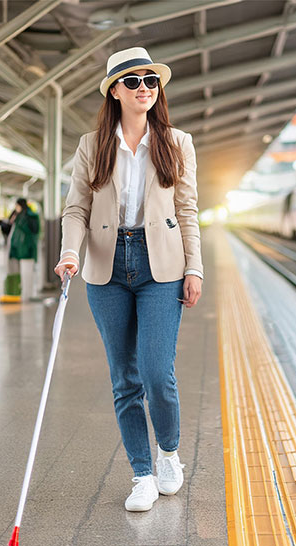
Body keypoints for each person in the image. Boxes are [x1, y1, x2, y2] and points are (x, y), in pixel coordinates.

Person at [53, 46, 203, 512]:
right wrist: (69, 253)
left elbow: (187, 210)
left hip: (162, 265)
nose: (144, 88)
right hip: (106, 266)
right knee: (125, 378)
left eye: (151, 81)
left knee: (158, 372)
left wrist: (194, 267)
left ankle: (168, 453)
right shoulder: (91, 144)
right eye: (134, 81)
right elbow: (76, 207)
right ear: (115, 90)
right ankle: (141, 473)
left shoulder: (177, 142)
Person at [4, 198, 39, 299]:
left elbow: (34, 231)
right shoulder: (17, 215)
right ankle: (18, 292)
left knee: (28, 272)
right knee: (17, 271)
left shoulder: (31, 216)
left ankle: (29, 294)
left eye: (17, 205)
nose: (16, 208)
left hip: (26, 248)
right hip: (16, 248)